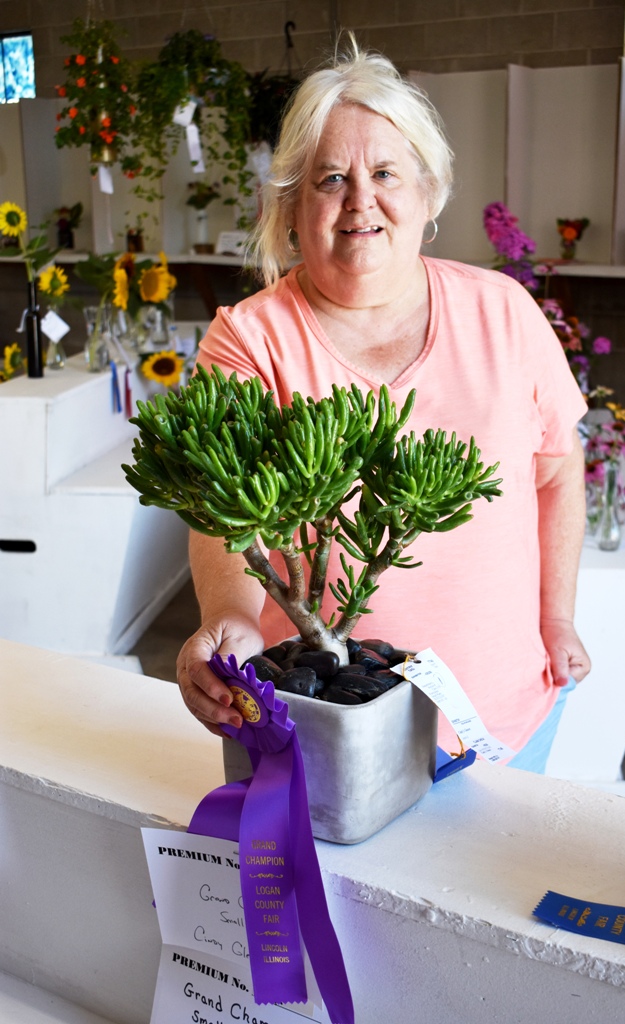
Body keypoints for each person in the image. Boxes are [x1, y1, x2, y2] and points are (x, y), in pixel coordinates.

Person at [176, 37, 591, 772]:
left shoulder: (504, 312)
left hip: (503, 711)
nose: (359, 200)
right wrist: (230, 615)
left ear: (428, 193)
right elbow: (224, 517)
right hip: (323, 720)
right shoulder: (249, 340)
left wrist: (555, 617)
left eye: (386, 173)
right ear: (291, 205)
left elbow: (557, 472)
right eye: (330, 178)